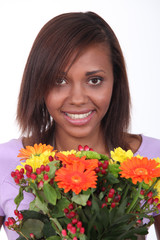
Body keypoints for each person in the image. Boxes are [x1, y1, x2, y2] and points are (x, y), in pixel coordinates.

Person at [0, 11, 160, 240]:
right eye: (59, 80)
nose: (77, 98)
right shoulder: (4, 163)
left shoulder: (153, 161)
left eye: (94, 81)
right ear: (38, 83)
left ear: (116, 81)